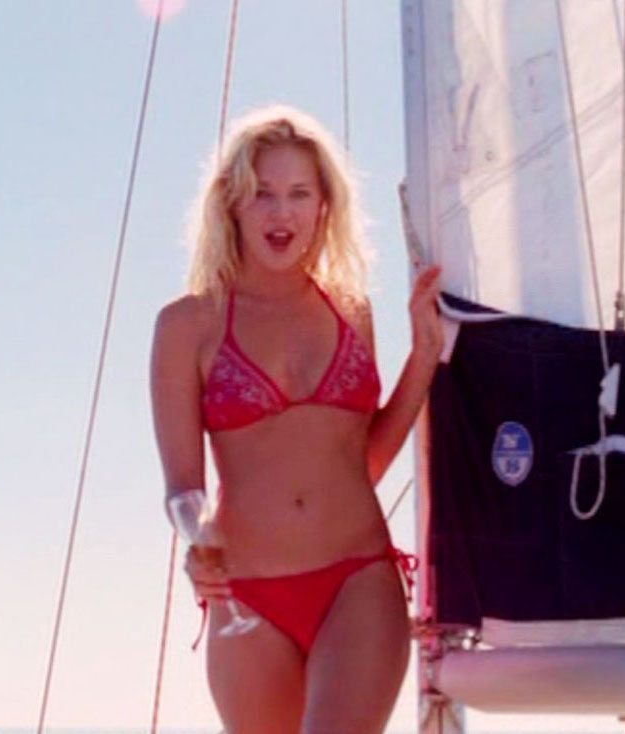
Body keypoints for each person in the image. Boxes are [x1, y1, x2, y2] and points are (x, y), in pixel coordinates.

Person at [149, 104, 442, 734]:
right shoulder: (187, 325)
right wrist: (197, 540)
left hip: (356, 580)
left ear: (323, 206)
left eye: (299, 194)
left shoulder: (351, 311)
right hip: (247, 597)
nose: (280, 213)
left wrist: (423, 359)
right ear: (232, 204)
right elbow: (183, 489)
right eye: (262, 194)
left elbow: (360, 463)